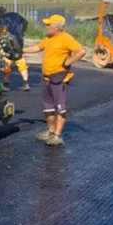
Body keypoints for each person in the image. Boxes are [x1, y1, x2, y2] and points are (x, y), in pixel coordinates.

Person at [22, 14, 87, 146]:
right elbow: (37, 48)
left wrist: (68, 62)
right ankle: (51, 131)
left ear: (57, 28)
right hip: (47, 78)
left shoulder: (66, 38)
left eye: (49, 24)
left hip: (60, 78)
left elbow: (81, 51)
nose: (46, 26)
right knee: (47, 108)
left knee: (60, 108)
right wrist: (21, 51)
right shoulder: (49, 38)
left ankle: (57, 136)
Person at [0, 5, 30, 91]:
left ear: (0, 13)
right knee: (20, 60)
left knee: (7, 61)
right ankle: (25, 83)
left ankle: (6, 84)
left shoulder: (2, 21)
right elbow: (25, 22)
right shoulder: (15, 15)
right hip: (19, 41)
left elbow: (1, 33)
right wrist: (22, 31)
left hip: (8, 43)